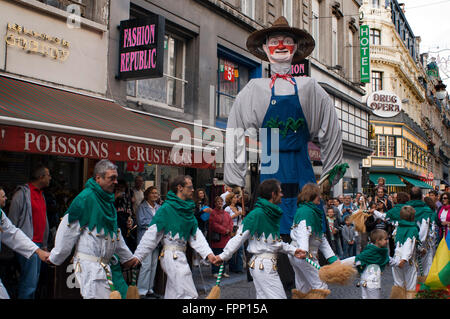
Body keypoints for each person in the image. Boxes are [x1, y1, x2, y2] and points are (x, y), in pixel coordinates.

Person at [222, 16, 344, 292]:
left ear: (296, 48)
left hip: (300, 159)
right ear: (265, 48)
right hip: (270, 157)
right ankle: (277, 279)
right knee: (271, 219)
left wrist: (329, 175)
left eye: (287, 41)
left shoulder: (310, 87)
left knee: (305, 221)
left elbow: (331, 129)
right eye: (274, 41)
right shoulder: (254, 89)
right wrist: (235, 175)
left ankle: (307, 282)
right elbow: (235, 128)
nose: (280, 45)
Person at [48, 160, 138, 299]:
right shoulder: (85, 199)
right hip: (90, 269)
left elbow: (114, 233)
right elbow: (68, 230)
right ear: (98, 178)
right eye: (111, 178)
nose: (115, 182)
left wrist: (127, 257)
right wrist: (56, 257)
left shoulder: (107, 201)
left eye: (116, 178)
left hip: (106, 268)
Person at [215, 179, 306, 299]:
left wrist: (293, 250)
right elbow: (239, 237)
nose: (282, 195)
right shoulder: (257, 214)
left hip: (265, 265)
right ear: (273, 194)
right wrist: (223, 256)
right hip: (264, 266)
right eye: (280, 192)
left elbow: (274, 243)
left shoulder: (270, 214)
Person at [132, 175, 216, 299]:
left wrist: (209, 254)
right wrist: (138, 256)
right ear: (180, 188)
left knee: (173, 294)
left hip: (180, 255)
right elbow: (151, 235)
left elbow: (196, 235)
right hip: (172, 256)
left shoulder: (188, 210)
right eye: (190, 187)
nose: (193, 190)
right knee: (188, 294)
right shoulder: (166, 209)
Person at [8, 163, 51, 299]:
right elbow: (11, 222)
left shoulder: (41, 195)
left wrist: (44, 244)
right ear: (40, 177)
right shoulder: (21, 194)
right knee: (29, 283)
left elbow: (43, 220)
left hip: (39, 245)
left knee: (34, 282)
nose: (50, 178)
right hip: (27, 244)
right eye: (48, 175)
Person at [289, 184, 339, 299]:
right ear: (312, 196)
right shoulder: (307, 212)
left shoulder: (308, 211)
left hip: (299, 254)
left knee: (303, 288)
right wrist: (304, 251)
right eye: (318, 195)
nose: (320, 198)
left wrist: (332, 258)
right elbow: (303, 232)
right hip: (304, 255)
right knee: (320, 286)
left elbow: (320, 237)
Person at [0, 187, 50, 299]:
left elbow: (13, 233)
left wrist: (37, 251)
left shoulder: (0, 215)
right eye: (3, 196)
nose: (6, 198)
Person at [341, 229, 392, 299]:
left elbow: (390, 260)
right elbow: (355, 259)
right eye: (385, 239)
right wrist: (339, 263)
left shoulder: (375, 251)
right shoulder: (377, 253)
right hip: (374, 283)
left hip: (364, 280)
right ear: (378, 240)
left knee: (365, 297)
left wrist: (399, 262)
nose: (387, 241)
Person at [136, 186, 161, 299]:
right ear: (147, 195)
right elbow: (142, 222)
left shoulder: (159, 207)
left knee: (153, 264)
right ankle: (141, 290)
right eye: (153, 193)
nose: (155, 195)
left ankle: (150, 288)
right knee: (146, 265)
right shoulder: (142, 207)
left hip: (156, 239)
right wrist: (156, 223)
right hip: (145, 239)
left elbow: (162, 220)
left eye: (156, 193)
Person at [405, 187, 435, 280]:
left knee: (410, 272)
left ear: (410, 196)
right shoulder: (427, 211)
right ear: (421, 197)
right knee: (425, 271)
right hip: (423, 247)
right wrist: (420, 246)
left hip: (407, 245)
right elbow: (427, 230)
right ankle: (422, 291)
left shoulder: (404, 209)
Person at [390, 205, 419, 299]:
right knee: (410, 286)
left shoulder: (398, 227)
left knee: (398, 284)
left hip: (396, 258)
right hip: (407, 261)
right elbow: (409, 243)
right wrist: (404, 259)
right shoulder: (413, 229)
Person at [209, 196, 233, 278]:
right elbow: (214, 225)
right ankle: (215, 271)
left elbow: (230, 222)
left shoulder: (226, 213)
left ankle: (223, 271)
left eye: (221, 202)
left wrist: (229, 230)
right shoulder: (213, 213)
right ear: (215, 203)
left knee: (224, 254)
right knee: (217, 254)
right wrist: (224, 230)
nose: (220, 203)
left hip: (226, 238)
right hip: (218, 238)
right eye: (218, 202)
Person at [224, 192, 244, 273]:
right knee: (232, 248)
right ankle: (232, 267)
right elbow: (226, 219)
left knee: (240, 248)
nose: (236, 199)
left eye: (236, 198)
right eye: (234, 198)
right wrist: (236, 215)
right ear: (231, 199)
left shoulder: (239, 208)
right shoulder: (227, 208)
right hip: (231, 229)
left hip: (239, 228)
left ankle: (239, 268)